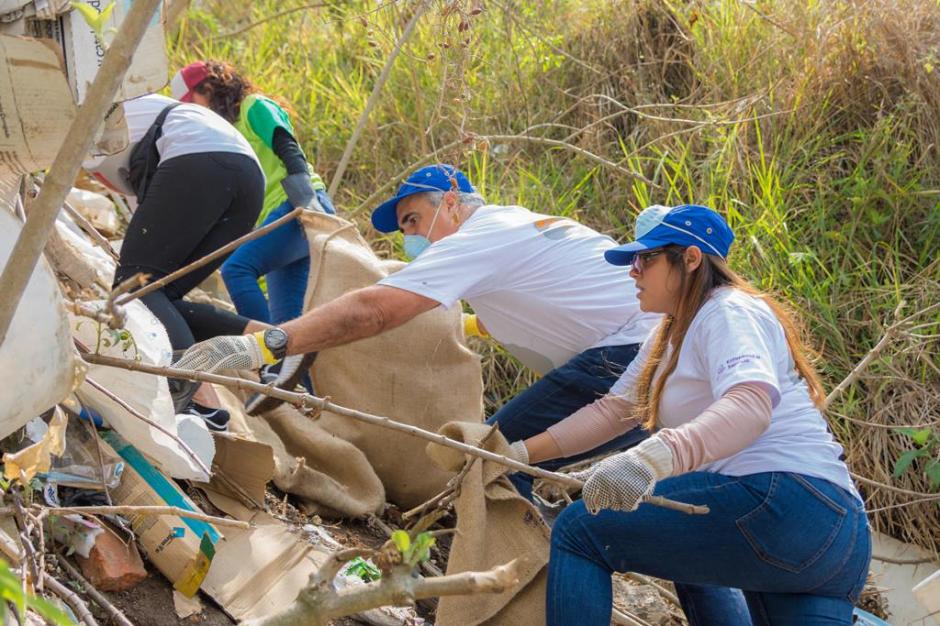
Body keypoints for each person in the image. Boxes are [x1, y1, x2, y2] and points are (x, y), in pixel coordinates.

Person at [172, 164, 660, 484]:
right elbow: (518, 318)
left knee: (488, 464)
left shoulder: (482, 237)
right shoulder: (516, 231)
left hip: (622, 359)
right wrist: (456, 328)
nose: (411, 236)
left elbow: (374, 309)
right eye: (404, 227)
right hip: (665, 364)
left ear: (451, 199)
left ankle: (513, 590)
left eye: (412, 219)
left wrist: (270, 345)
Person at [516, 204, 870, 625]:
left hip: (782, 501)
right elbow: (614, 413)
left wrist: (650, 460)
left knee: (580, 530)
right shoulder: (668, 333)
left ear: (690, 258)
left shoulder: (727, 310)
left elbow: (750, 404)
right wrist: (516, 453)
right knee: (680, 530)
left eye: (645, 258)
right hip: (834, 534)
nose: (633, 271)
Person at [87, 92, 268, 430]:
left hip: (198, 159)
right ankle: (274, 343)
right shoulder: (127, 104)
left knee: (133, 290)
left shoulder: (75, 114)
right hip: (246, 177)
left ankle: (194, 398)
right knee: (159, 296)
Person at [171, 61, 335, 406]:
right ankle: (302, 398)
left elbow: (285, 143)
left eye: (192, 102)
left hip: (297, 204)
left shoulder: (253, 106)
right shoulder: (226, 133)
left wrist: (305, 197)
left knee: (237, 269)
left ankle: (265, 359)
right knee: (284, 323)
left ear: (209, 89)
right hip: (275, 219)